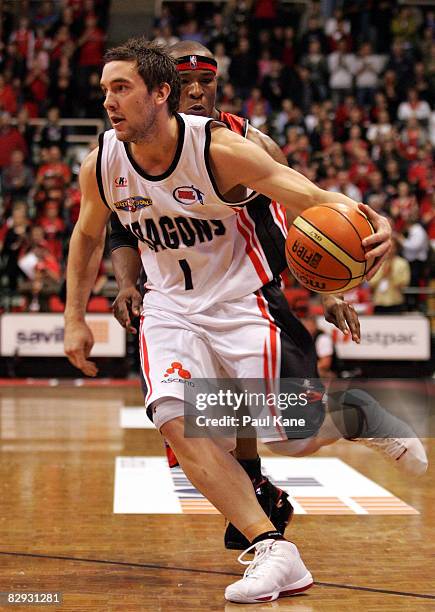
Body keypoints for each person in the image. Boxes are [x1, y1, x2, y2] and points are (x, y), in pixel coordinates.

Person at [64, 39, 425, 604]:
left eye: (121, 88)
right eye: (105, 89)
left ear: (161, 95)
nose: (108, 101)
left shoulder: (226, 147)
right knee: (179, 421)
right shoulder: (103, 160)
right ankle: (271, 549)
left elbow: (303, 194)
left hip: (242, 300)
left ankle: (356, 415)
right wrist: (74, 318)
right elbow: (89, 233)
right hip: (170, 307)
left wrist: (369, 218)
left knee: (292, 439)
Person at [108, 40, 363, 552]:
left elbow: (303, 220)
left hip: (251, 286)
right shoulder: (129, 151)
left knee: (271, 419)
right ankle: (258, 496)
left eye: (209, 82)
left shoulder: (247, 143)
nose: (198, 91)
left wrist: (327, 288)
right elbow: (119, 220)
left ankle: (269, 482)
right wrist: (127, 281)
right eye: (186, 83)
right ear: (163, 92)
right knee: (196, 418)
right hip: (182, 297)